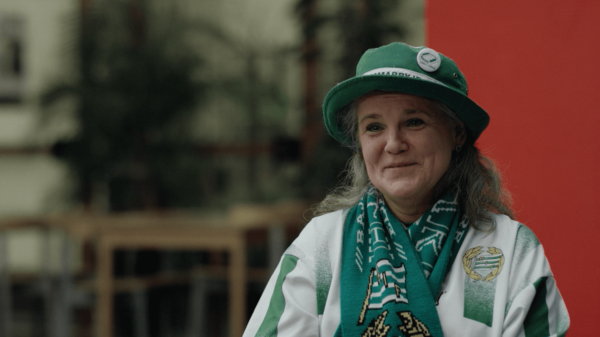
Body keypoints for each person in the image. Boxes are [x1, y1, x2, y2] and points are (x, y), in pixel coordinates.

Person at [243, 42, 569, 337]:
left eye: (414, 122)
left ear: (456, 133)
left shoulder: (511, 251)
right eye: (374, 127)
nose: (394, 144)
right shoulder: (322, 246)